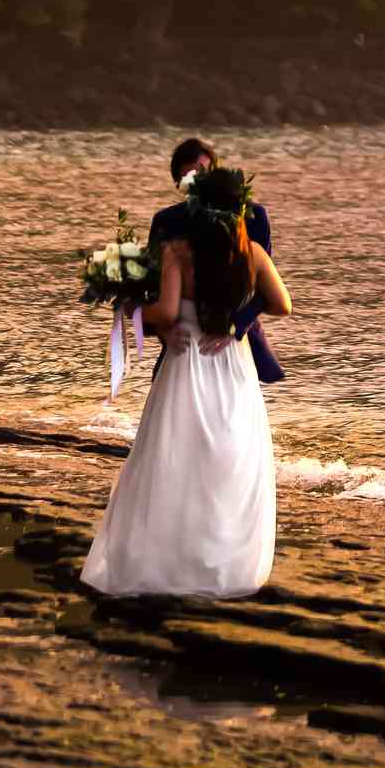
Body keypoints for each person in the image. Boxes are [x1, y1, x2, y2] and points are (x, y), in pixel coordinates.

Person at [83, 165, 299, 599]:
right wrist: (236, 326)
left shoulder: (179, 251)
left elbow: (163, 313)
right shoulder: (253, 253)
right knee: (225, 462)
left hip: (187, 365)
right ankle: (221, 564)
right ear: (241, 207)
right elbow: (282, 305)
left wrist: (129, 307)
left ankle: (168, 562)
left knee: (174, 460)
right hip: (231, 367)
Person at [158, 139, 284, 385]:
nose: (198, 183)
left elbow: (264, 287)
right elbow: (149, 288)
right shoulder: (167, 221)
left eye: (204, 174)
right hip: (182, 344)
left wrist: (236, 326)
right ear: (178, 184)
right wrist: (163, 330)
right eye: (190, 178)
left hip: (236, 336)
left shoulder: (254, 217)